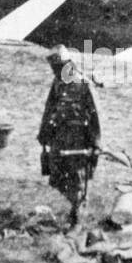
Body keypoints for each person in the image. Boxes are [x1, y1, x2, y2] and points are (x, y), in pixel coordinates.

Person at [38, 46, 101, 228]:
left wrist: (96, 141)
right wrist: (44, 133)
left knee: (77, 177)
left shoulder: (83, 83)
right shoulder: (57, 83)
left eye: (58, 67)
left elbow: (95, 114)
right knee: (58, 176)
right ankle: (75, 208)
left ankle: (78, 216)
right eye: (54, 68)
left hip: (79, 138)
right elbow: (49, 108)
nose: (56, 72)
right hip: (59, 137)